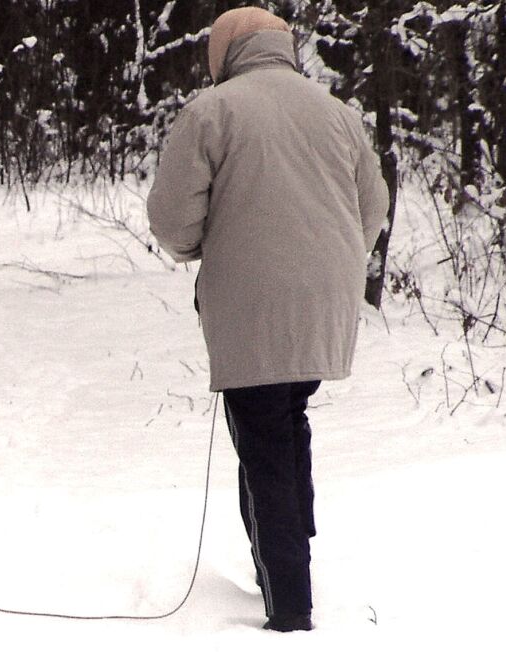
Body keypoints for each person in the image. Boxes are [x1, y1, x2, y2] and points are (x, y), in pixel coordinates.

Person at [147, 7, 389, 633]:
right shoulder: (336, 112)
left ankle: (290, 606)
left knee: (264, 445)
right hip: (323, 300)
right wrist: (333, 262)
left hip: (251, 304)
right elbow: (373, 205)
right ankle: (286, 558)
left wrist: (203, 248)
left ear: (225, 51)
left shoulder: (213, 111)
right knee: (287, 420)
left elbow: (173, 221)